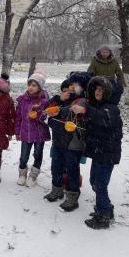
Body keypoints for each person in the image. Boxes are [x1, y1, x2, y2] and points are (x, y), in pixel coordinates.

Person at [44, 72, 92, 212]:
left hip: (73, 143)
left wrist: (57, 110)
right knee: (56, 166)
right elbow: (46, 108)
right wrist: (58, 98)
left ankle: (72, 196)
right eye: (70, 84)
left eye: (75, 85)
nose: (72, 87)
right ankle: (57, 190)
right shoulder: (62, 98)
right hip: (59, 140)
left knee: (72, 169)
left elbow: (71, 111)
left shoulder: (83, 100)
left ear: (83, 87)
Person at [79, 76, 123, 229]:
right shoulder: (97, 107)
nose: (98, 92)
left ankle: (103, 216)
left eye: (102, 90)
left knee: (100, 184)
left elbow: (103, 119)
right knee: (94, 182)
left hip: (107, 154)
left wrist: (86, 110)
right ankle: (106, 208)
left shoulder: (111, 109)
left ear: (108, 93)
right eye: (96, 89)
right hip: (99, 153)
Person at [15, 70, 51, 187]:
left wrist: (38, 114)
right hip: (25, 133)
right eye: (29, 84)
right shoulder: (22, 100)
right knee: (24, 156)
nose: (30, 87)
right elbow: (18, 117)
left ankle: (33, 176)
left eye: (34, 85)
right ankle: (22, 174)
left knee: (38, 154)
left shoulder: (45, 101)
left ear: (40, 87)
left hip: (39, 134)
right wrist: (17, 131)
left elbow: (46, 118)